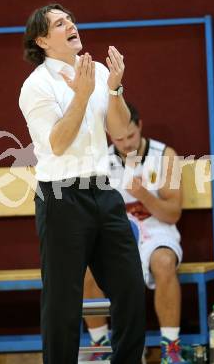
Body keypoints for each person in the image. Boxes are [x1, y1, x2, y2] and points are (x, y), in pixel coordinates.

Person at [19, 4, 145, 364]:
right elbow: (57, 143)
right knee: (63, 302)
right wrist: (83, 95)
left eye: (70, 19)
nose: (71, 24)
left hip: (103, 191)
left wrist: (115, 89)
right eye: (60, 23)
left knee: (131, 289)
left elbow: (121, 132)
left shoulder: (98, 71)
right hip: (61, 198)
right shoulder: (36, 86)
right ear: (42, 40)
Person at [84, 103, 185, 363]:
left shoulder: (165, 156)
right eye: (119, 138)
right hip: (117, 232)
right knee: (85, 268)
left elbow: (172, 213)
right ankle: (101, 346)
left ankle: (170, 349)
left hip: (156, 230)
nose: (127, 144)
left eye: (131, 136)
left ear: (140, 126)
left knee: (163, 262)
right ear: (109, 135)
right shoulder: (99, 161)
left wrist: (142, 195)